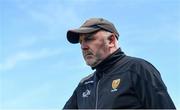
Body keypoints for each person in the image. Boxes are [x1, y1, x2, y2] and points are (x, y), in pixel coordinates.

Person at [63, 18, 176, 109]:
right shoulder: (85, 85)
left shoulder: (137, 69)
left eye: (89, 39)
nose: (83, 46)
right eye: (81, 42)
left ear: (111, 41)